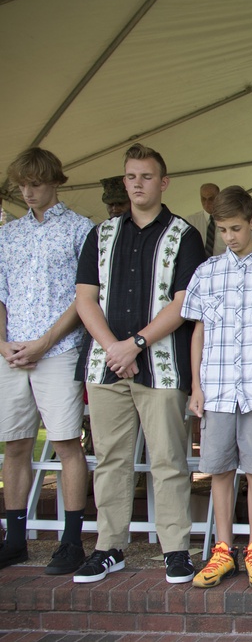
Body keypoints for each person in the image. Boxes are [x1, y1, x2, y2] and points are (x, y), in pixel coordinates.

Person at [74, 143, 206, 584]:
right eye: (131, 177)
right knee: (110, 458)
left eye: (146, 177)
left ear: (163, 182)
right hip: (105, 364)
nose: (137, 184)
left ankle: (175, 550)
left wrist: (136, 344)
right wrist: (115, 347)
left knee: (169, 458)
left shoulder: (183, 235)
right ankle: (109, 547)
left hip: (162, 365)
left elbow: (185, 302)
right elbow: (85, 298)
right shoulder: (102, 233)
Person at [182, 186, 252, 589]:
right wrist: (196, 385)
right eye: (222, 229)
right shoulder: (206, 272)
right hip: (216, 387)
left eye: (235, 227)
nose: (229, 236)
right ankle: (222, 549)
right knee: (218, 470)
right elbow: (198, 331)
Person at [0, 148, 93, 574]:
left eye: (35, 183)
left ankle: (71, 541)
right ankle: (15, 538)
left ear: (55, 180)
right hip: (12, 352)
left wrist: (44, 341)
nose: (28, 191)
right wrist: (3, 342)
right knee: (15, 444)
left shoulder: (80, 229)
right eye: (22, 184)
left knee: (66, 444)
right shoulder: (8, 235)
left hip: (57, 350)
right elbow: (0, 295)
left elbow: (84, 299)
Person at [186, 183, 225, 258]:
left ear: (218, 197)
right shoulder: (191, 221)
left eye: (211, 199)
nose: (207, 203)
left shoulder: (228, 220)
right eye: (203, 199)